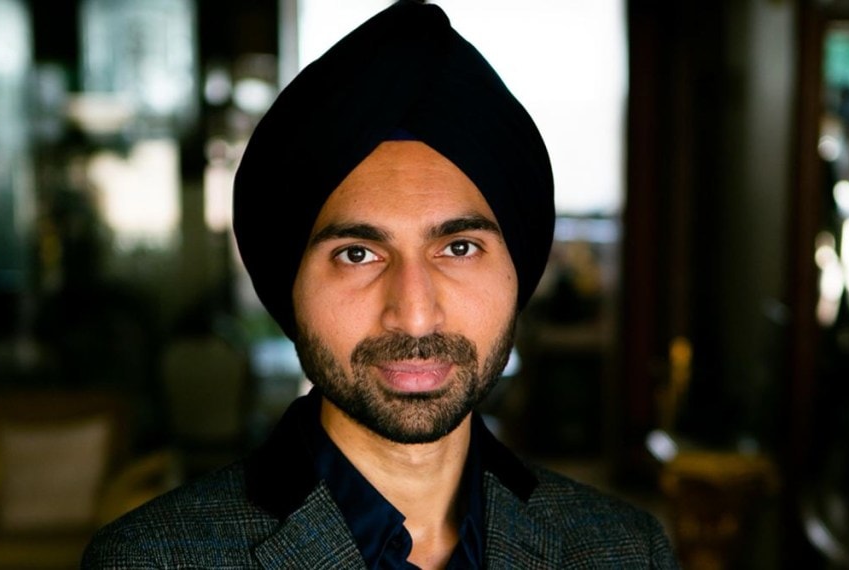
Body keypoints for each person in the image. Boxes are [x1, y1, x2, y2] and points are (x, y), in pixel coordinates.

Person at [82, 1, 679, 568]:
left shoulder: (627, 550)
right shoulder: (152, 560)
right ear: (289, 284)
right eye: (358, 254)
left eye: (459, 248)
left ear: (517, 269)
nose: (415, 315)